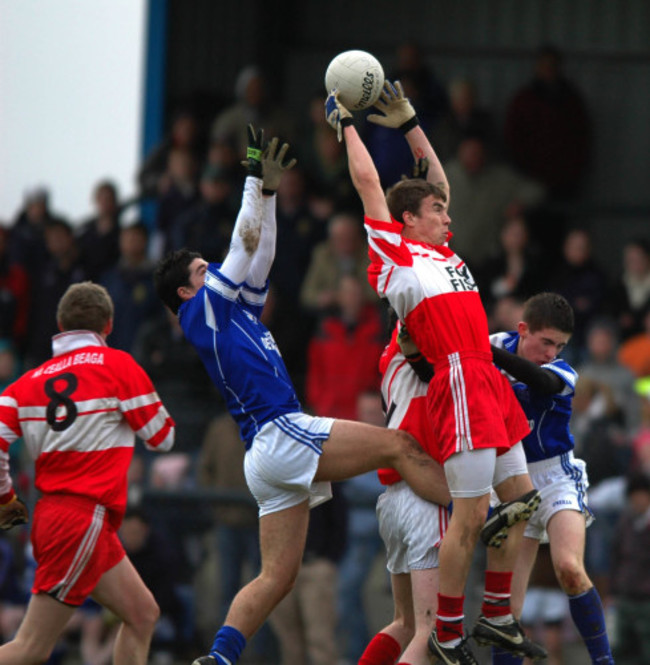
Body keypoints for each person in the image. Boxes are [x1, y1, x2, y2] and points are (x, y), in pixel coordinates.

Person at [153, 125, 450, 665]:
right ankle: (473, 508)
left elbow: (258, 256)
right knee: (400, 445)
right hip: (280, 433)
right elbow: (241, 251)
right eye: (202, 269)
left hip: (265, 456)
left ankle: (217, 658)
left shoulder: (229, 310)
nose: (213, 269)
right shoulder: (200, 312)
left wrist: (266, 195)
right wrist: (252, 183)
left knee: (275, 578)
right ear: (184, 291)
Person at [326, 81, 543, 664]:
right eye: (436, 211)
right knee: (470, 522)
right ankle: (450, 631)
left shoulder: (443, 253)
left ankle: (495, 614)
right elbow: (371, 185)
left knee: (524, 505)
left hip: (483, 383)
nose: (447, 213)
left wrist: (411, 123)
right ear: (407, 221)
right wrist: (345, 122)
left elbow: (436, 186)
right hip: (459, 387)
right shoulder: (396, 257)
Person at [0, 281, 176, 664]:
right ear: (108, 326)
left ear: (60, 326)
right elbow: (162, 438)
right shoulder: (118, 366)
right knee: (30, 648)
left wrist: (4, 497)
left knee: (143, 615)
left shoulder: (25, 384)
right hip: (83, 519)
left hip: (58, 517)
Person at [490, 291, 615, 664]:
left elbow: (539, 381)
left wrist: (482, 351)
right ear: (522, 329)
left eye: (559, 345)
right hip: (512, 481)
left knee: (569, 568)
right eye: (545, 342)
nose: (551, 352)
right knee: (505, 612)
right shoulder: (496, 343)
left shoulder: (562, 371)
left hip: (556, 476)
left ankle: (604, 662)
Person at [609, 471, 650, 665]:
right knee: (621, 651)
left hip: (646, 600)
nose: (637, 501)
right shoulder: (625, 521)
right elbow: (615, 557)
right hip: (625, 596)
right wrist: (612, 590)